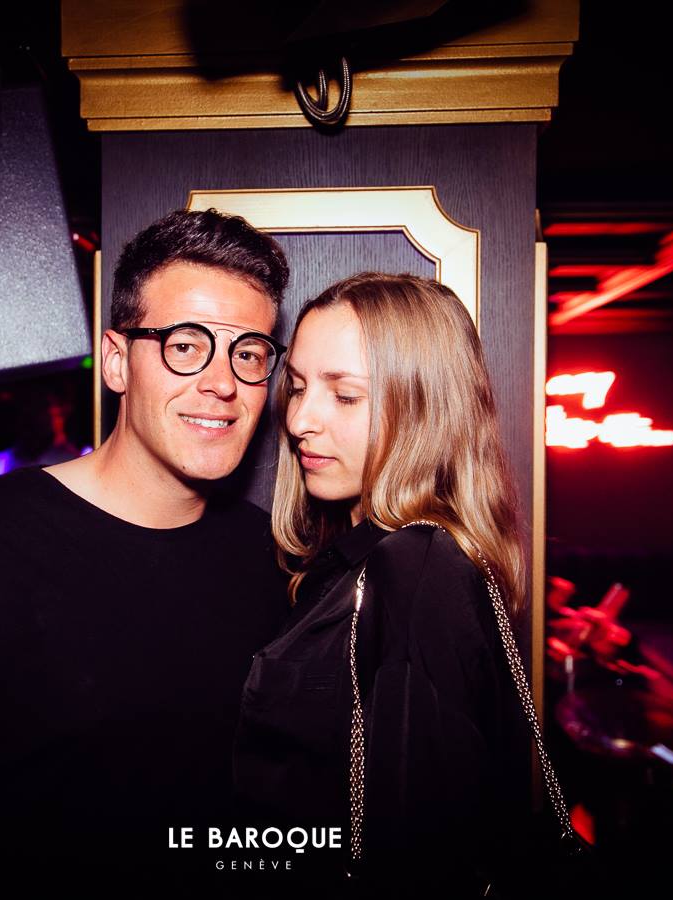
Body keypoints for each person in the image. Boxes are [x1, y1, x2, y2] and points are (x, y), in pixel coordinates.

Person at [0, 209, 292, 899]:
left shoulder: (272, 561)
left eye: (248, 353)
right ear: (116, 361)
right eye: (185, 346)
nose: (222, 383)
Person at [233, 273, 530, 897]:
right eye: (298, 387)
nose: (300, 420)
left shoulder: (419, 568)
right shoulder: (355, 560)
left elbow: (423, 858)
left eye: (345, 396)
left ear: (424, 408)